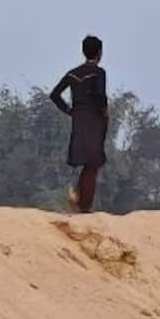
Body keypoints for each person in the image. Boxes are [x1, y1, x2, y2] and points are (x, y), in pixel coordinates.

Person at [50, 35, 109, 213]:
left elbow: (54, 95)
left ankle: (79, 199)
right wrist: (104, 111)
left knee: (89, 162)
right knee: (93, 161)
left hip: (79, 119)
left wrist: (69, 111)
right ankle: (84, 207)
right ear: (99, 53)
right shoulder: (99, 73)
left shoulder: (73, 73)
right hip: (94, 120)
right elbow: (100, 95)